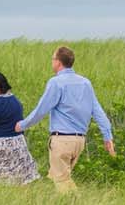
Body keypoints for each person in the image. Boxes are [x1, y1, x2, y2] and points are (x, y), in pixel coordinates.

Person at [17, 46, 114, 190]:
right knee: (57, 177)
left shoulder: (56, 82)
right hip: (79, 141)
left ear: (58, 62)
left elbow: (41, 110)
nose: (52, 62)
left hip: (62, 140)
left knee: (61, 181)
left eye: (52, 59)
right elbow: (98, 111)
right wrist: (108, 137)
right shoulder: (85, 83)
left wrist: (23, 125)